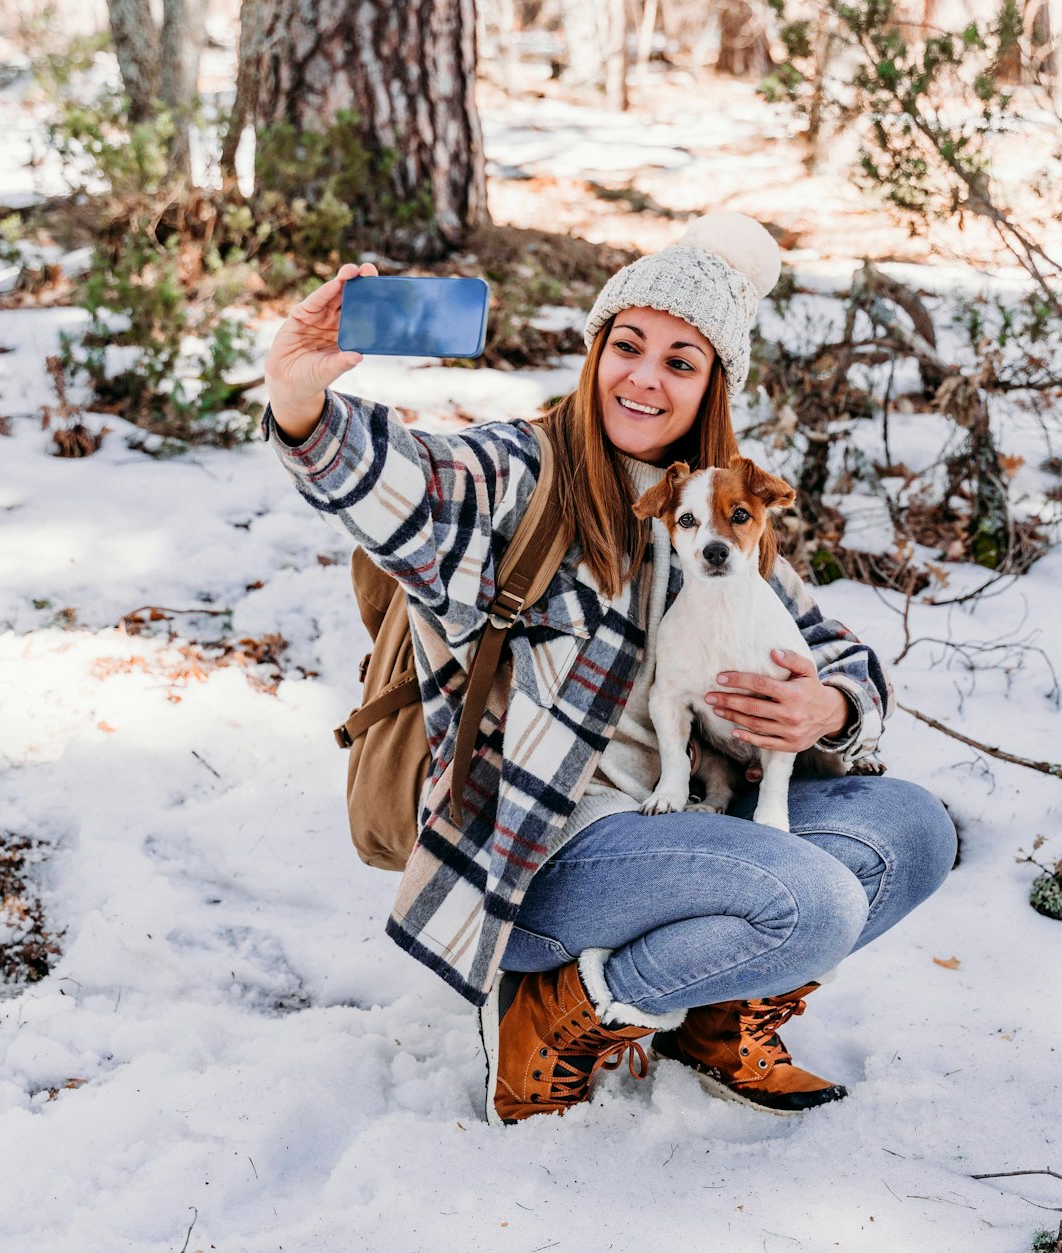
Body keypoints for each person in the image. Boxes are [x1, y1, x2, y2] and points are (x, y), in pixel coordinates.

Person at [262, 213, 956, 1124]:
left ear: (712, 386)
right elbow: (404, 482)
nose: (644, 377)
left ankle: (714, 1021)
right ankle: (548, 1013)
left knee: (915, 829)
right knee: (814, 902)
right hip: (546, 855)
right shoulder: (521, 475)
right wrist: (301, 402)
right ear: (596, 352)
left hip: (691, 823)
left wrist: (826, 706)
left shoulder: (714, 507)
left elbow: (833, 650)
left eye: (680, 361)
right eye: (627, 346)